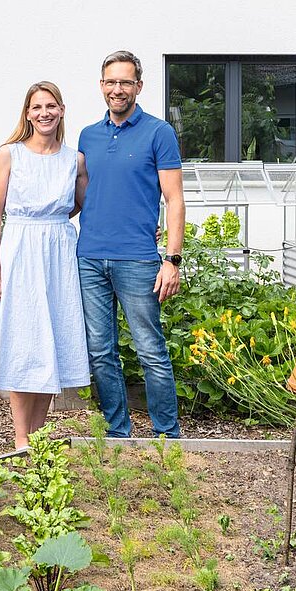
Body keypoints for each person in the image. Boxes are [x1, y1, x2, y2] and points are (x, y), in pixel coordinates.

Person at [76, 50, 185, 438]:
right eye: (110, 82)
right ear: (101, 85)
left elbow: (174, 199)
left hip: (138, 260)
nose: (117, 89)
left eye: (125, 82)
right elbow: (81, 194)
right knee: (101, 353)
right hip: (89, 257)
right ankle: (117, 434)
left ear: (138, 86)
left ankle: (167, 437)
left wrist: (171, 259)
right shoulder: (88, 135)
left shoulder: (159, 133)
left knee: (150, 351)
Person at [0, 80, 91, 449]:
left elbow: (83, 204)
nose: (44, 113)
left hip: (59, 254)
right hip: (19, 252)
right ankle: (19, 439)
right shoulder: (10, 154)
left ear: (61, 110)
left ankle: (38, 436)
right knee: (22, 341)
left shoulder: (74, 159)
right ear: (27, 113)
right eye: (36, 107)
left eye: (50, 106)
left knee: (52, 342)